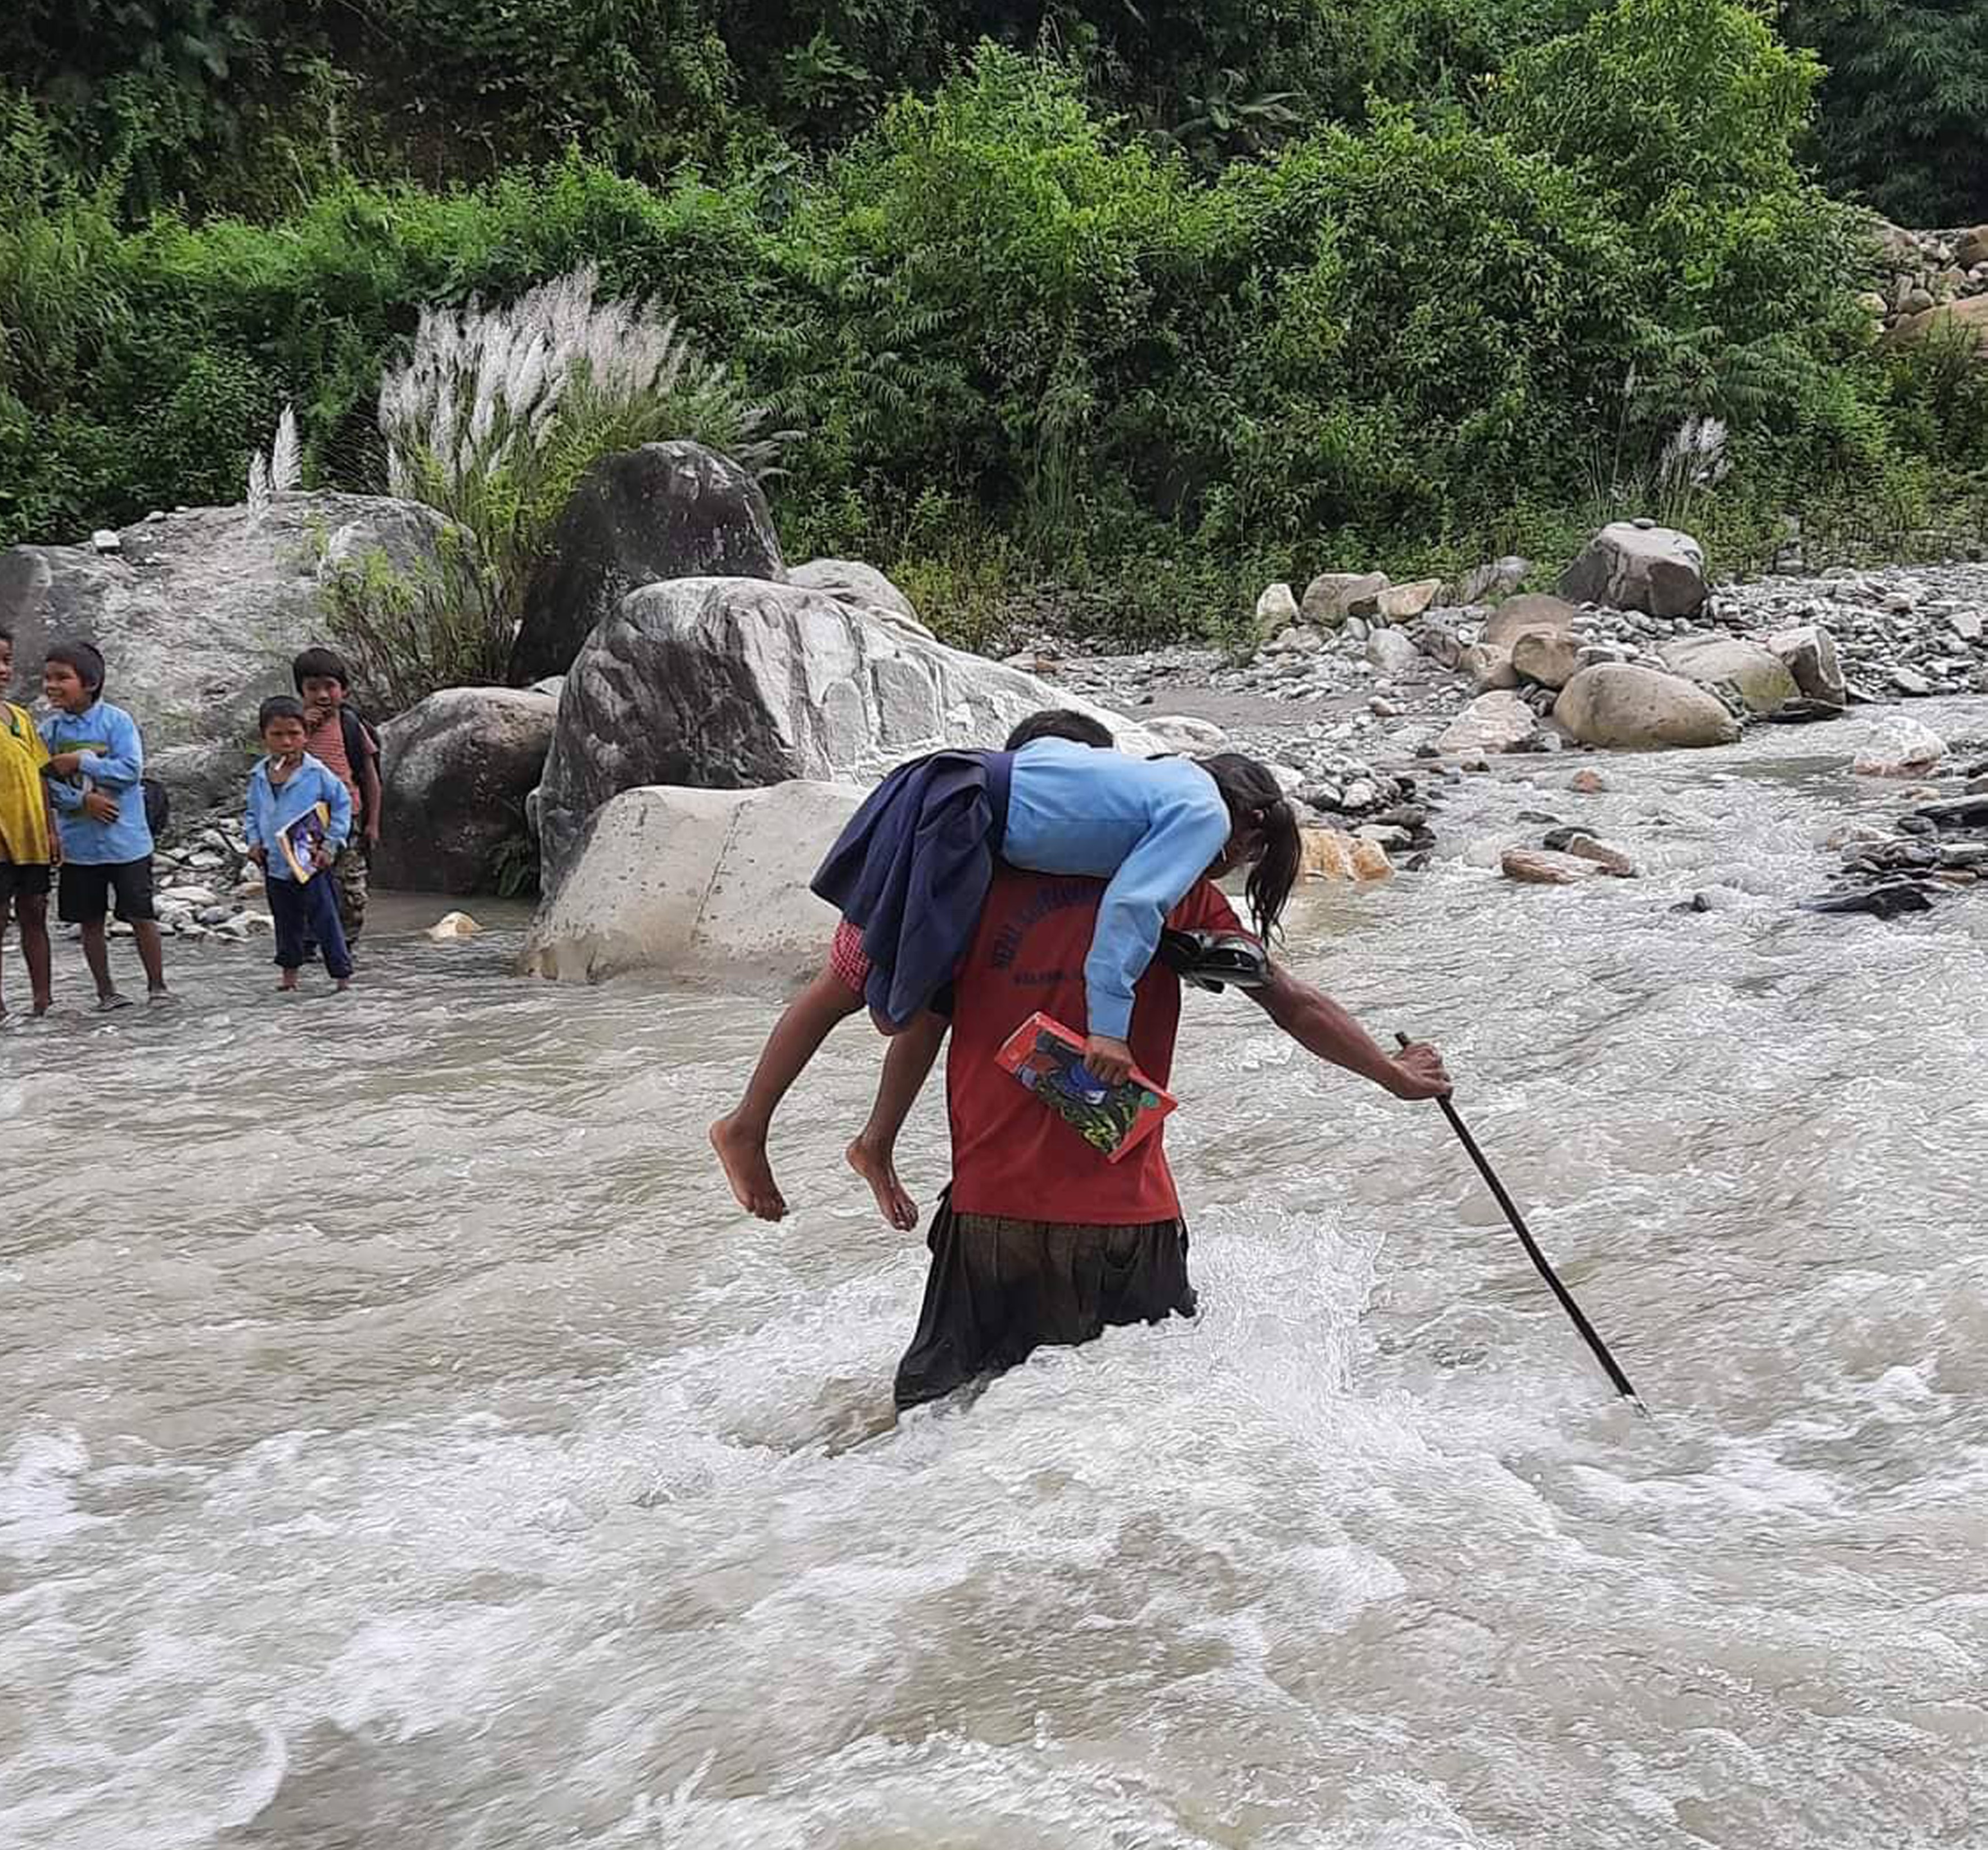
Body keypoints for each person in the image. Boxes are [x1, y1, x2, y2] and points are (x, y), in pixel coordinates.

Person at [891, 859, 1451, 1407]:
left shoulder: (973, 876)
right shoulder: (1170, 881)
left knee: (939, 1420)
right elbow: (1293, 1004)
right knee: (1153, 1422)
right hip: (1124, 1223)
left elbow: (909, 1021)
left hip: (986, 1217)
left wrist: (877, 1143)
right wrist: (1393, 1074)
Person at [711, 712, 1302, 1222]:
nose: (1229, 867)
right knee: (844, 984)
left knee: (933, 1003)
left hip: (966, 823)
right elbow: (1132, 905)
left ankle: (875, 1143)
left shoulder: (1164, 778)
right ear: (1248, 822)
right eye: (1251, 857)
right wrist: (1107, 1028)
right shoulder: (1206, 813)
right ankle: (745, 1125)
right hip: (948, 812)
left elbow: (1054, 764)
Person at [39, 640, 171, 1010]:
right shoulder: (48, 732)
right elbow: (45, 783)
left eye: (62, 678)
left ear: (91, 682)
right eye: (47, 677)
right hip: (79, 845)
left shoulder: (116, 721)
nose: (51, 685)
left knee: (141, 914)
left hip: (126, 841)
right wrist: (82, 800)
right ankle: (106, 991)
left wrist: (82, 763)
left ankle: (157, 986)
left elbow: (131, 771)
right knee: (90, 920)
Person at [246, 695, 355, 993]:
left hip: (311, 861)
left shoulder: (317, 773)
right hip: (275, 862)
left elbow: (342, 805)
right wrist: (253, 843)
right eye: (277, 735)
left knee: (326, 920)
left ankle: (342, 979)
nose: (287, 742)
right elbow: (253, 813)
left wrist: (331, 845)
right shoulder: (259, 776)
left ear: (306, 735)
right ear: (264, 737)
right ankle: (289, 980)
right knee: (286, 921)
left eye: (294, 734)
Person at [292, 647, 380, 947]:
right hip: (303, 822)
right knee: (306, 883)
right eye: (312, 688)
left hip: (349, 819)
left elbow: (370, 777)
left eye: (330, 686)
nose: (323, 695)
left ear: (344, 689)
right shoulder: (292, 730)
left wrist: (373, 824)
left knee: (351, 886)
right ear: (300, 691)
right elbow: (277, 769)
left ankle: (346, 946)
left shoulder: (350, 726)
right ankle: (308, 946)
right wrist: (303, 730)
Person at [0, 627, 59, 1019]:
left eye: (6, 660)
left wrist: (52, 829)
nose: (3, 669)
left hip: (32, 836)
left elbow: (41, 774)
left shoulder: (20, 716)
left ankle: (44, 999)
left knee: (35, 914)